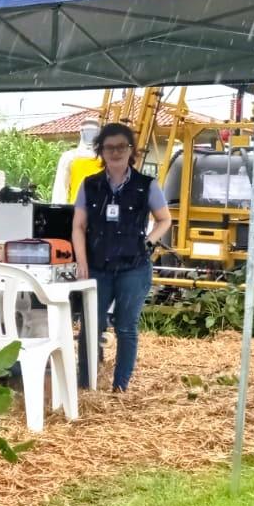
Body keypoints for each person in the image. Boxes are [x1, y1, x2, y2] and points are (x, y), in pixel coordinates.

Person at [71, 122, 172, 392]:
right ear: (100, 151)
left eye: (121, 147)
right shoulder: (89, 185)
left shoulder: (146, 185)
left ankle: (120, 387)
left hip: (133, 266)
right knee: (91, 325)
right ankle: (86, 384)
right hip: (97, 265)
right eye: (109, 147)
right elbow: (78, 226)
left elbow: (164, 219)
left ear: (131, 151)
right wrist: (81, 261)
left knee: (126, 326)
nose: (115, 152)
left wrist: (148, 241)